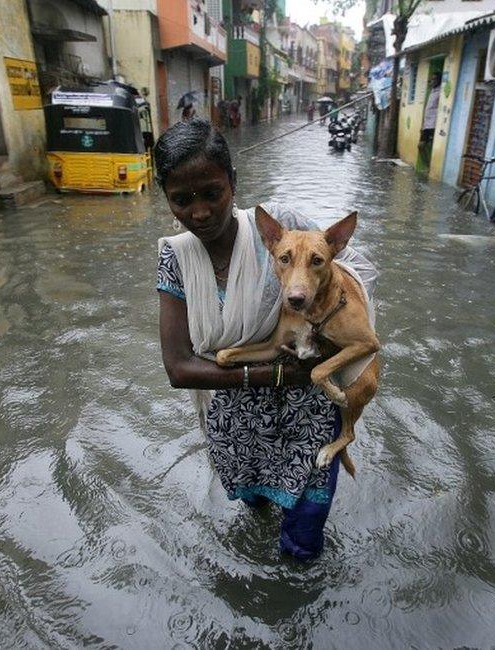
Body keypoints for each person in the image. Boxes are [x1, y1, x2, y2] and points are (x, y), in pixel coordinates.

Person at [154, 119, 377, 560]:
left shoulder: (284, 229)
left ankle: (298, 600)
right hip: (236, 417)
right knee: (255, 508)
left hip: (308, 409)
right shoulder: (175, 258)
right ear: (166, 198)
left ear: (233, 184)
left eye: (212, 193)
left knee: (303, 536)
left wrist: (329, 316)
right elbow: (179, 368)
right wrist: (280, 374)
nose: (199, 211)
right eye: (181, 199)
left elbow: (352, 266)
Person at [419, 73, 442, 169]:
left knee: (430, 145)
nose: (431, 82)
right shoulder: (432, 91)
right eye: (431, 80)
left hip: (433, 124)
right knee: (420, 146)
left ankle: (431, 167)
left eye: (434, 79)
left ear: (438, 81)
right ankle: (427, 165)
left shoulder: (440, 92)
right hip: (427, 125)